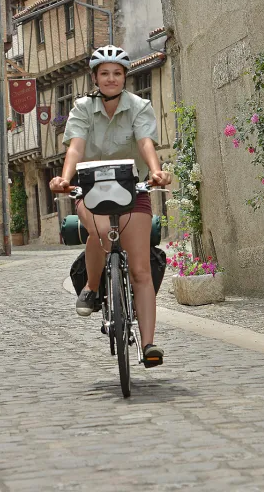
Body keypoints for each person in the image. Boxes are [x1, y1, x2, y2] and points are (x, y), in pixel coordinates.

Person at [49, 45, 172, 368]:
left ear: (125, 78)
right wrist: (65, 178)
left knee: (141, 269)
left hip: (131, 187)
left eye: (117, 73)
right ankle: (91, 287)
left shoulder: (139, 106)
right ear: (94, 77)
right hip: (90, 187)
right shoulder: (82, 108)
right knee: (101, 232)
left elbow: (145, 142)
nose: (111, 78)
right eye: (104, 73)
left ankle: (148, 345)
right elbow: (76, 147)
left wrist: (156, 171)